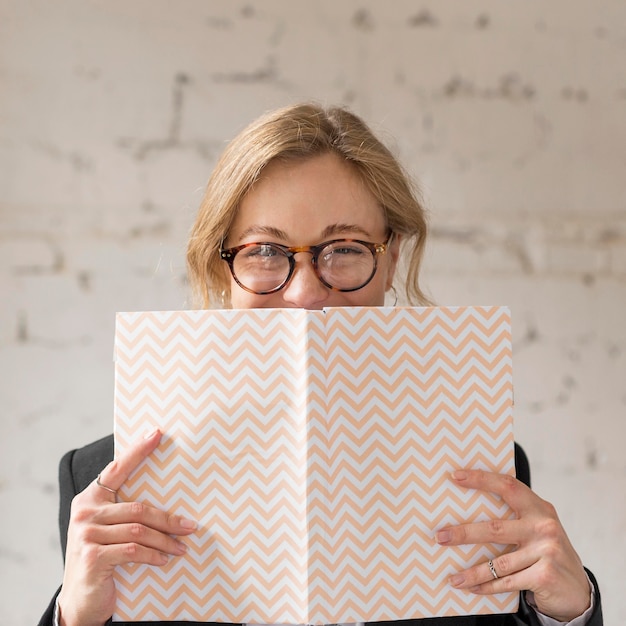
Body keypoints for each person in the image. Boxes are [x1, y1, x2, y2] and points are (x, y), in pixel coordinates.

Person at [38, 103, 602, 626]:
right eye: (264, 251)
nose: (307, 294)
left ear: (392, 257)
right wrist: (76, 618)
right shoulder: (102, 487)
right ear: (219, 266)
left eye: (347, 248)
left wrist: (570, 610)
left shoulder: (484, 468)